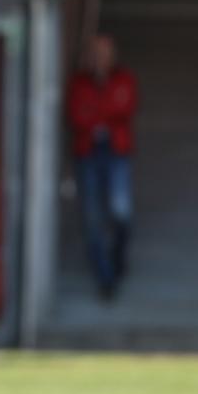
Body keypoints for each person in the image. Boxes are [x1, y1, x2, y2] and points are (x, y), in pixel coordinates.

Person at [67, 35, 137, 299]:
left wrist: (96, 112)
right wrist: (105, 112)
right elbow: (76, 115)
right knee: (92, 217)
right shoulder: (80, 82)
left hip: (117, 151)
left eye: (105, 53)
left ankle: (118, 259)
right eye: (96, 53)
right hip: (88, 152)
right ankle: (105, 278)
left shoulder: (123, 78)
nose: (100, 58)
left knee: (121, 210)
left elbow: (125, 107)